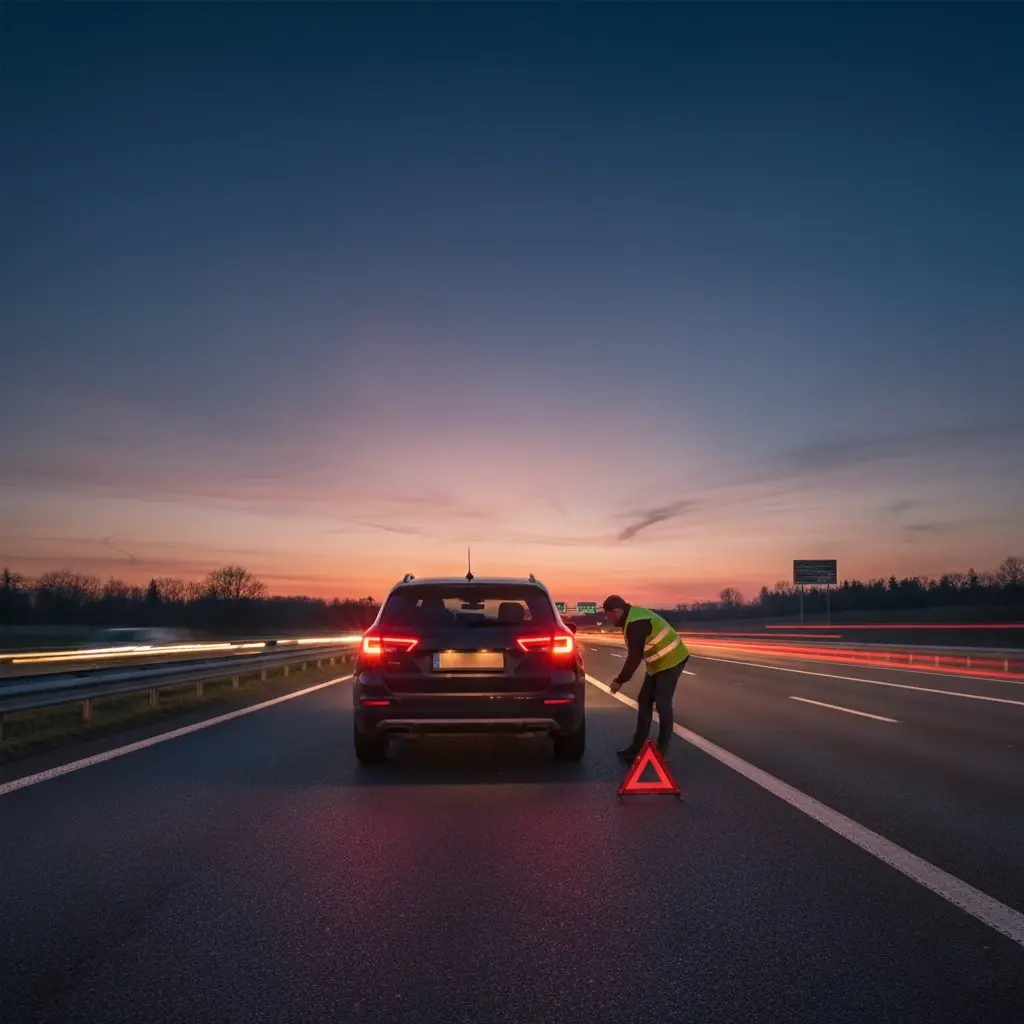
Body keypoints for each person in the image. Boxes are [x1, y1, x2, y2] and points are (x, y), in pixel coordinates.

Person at [603, 595, 689, 762]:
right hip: (657, 664)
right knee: (644, 699)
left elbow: (634, 657)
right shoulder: (630, 619)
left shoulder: (636, 623)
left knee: (662, 702)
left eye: (609, 615)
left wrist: (620, 680)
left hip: (673, 659)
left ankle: (663, 749)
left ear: (618, 610)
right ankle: (636, 748)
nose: (608, 618)